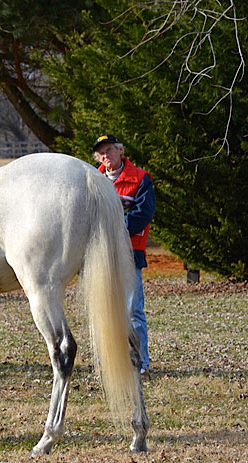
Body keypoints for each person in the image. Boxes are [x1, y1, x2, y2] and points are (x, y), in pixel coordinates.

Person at [93, 134, 156, 377]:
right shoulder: (93, 180)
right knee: (104, 307)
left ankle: (139, 365)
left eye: (109, 150)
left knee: (132, 310)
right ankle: (105, 363)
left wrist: (112, 227)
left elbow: (143, 213)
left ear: (120, 151)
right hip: (100, 254)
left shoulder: (141, 179)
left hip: (130, 253)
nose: (105, 156)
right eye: (101, 153)